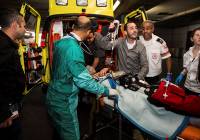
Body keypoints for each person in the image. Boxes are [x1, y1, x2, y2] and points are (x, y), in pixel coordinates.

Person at [45, 16, 119, 140]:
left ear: (74, 27)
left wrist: (87, 71)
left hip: (53, 96)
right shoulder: (74, 48)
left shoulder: (62, 41)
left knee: (58, 133)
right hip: (64, 102)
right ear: (89, 32)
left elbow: (66, 66)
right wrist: (106, 91)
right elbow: (83, 82)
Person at [0, 9, 26, 140]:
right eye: (24, 26)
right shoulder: (3, 47)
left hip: (11, 105)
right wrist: (3, 112)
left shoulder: (8, 45)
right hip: (6, 109)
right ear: (15, 25)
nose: (25, 30)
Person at [139, 20, 172, 85]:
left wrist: (169, 74)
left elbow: (168, 57)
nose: (145, 31)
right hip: (140, 74)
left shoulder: (159, 42)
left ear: (152, 29)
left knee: (153, 94)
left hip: (154, 75)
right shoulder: (138, 40)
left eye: (148, 29)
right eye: (143, 29)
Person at [175, 27, 200, 94]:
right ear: (192, 39)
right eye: (197, 35)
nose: (199, 37)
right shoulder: (187, 54)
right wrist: (181, 74)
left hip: (198, 89)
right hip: (187, 86)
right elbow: (187, 67)